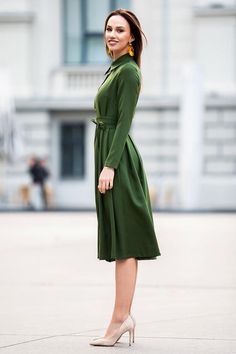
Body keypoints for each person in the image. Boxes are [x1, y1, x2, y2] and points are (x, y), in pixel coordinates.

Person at [89, 9, 161, 347]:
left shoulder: (129, 72)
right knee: (120, 242)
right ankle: (122, 318)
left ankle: (120, 319)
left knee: (126, 242)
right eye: (108, 29)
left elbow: (123, 122)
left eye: (120, 30)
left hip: (117, 161)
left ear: (132, 38)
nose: (112, 34)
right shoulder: (115, 68)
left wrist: (110, 165)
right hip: (108, 154)